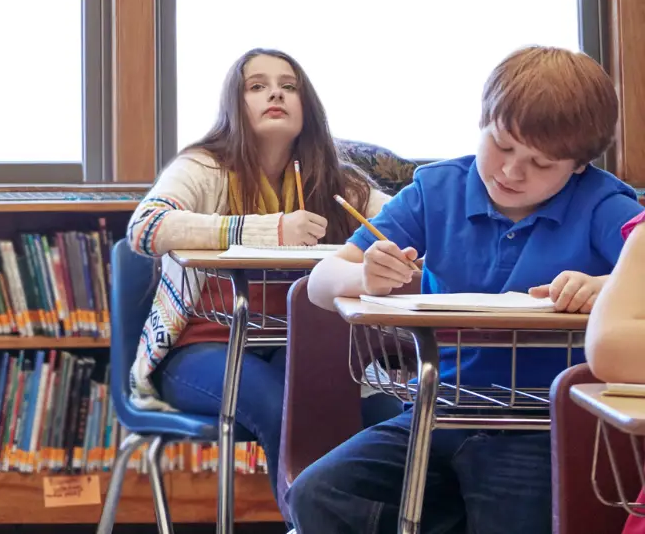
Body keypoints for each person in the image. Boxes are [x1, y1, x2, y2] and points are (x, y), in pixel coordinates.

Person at [292, 46, 641, 534]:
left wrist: (607, 284)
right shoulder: (439, 190)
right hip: (438, 407)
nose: (512, 171)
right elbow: (320, 285)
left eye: (541, 163)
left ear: (579, 165)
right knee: (318, 493)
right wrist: (364, 276)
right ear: (482, 122)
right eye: (502, 144)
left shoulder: (603, 204)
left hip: (541, 421)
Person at [126, 48, 380, 511]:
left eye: (289, 85)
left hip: (297, 346)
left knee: (380, 411)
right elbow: (146, 228)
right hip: (202, 348)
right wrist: (269, 229)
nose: (275, 93)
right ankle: (313, 523)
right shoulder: (203, 167)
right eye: (257, 86)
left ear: (307, 105)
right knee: (285, 405)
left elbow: (410, 222)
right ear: (234, 105)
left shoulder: (336, 179)